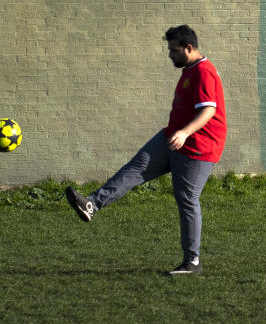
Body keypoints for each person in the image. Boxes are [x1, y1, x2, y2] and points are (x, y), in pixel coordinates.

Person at [66, 25, 227, 275]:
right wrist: (178, 132)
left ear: (189, 48)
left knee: (187, 199)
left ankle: (192, 262)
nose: (170, 54)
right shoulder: (190, 70)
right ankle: (92, 204)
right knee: (137, 167)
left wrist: (185, 133)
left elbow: (209, 110)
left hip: (197, 146)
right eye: (169, 49)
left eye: (174, 50)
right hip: (172, 137)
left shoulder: (204, 72)